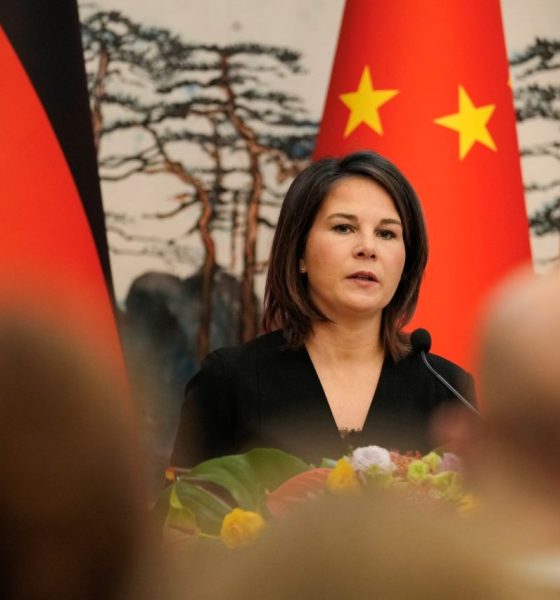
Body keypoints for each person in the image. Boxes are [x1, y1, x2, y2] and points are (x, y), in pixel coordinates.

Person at [171, 151, 475, 467]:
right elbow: (188, 498)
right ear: (299, 253)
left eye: (386, 233)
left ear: (406, 263)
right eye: (344, 228)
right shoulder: (229, 382)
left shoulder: (447, 389)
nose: (368, 248)